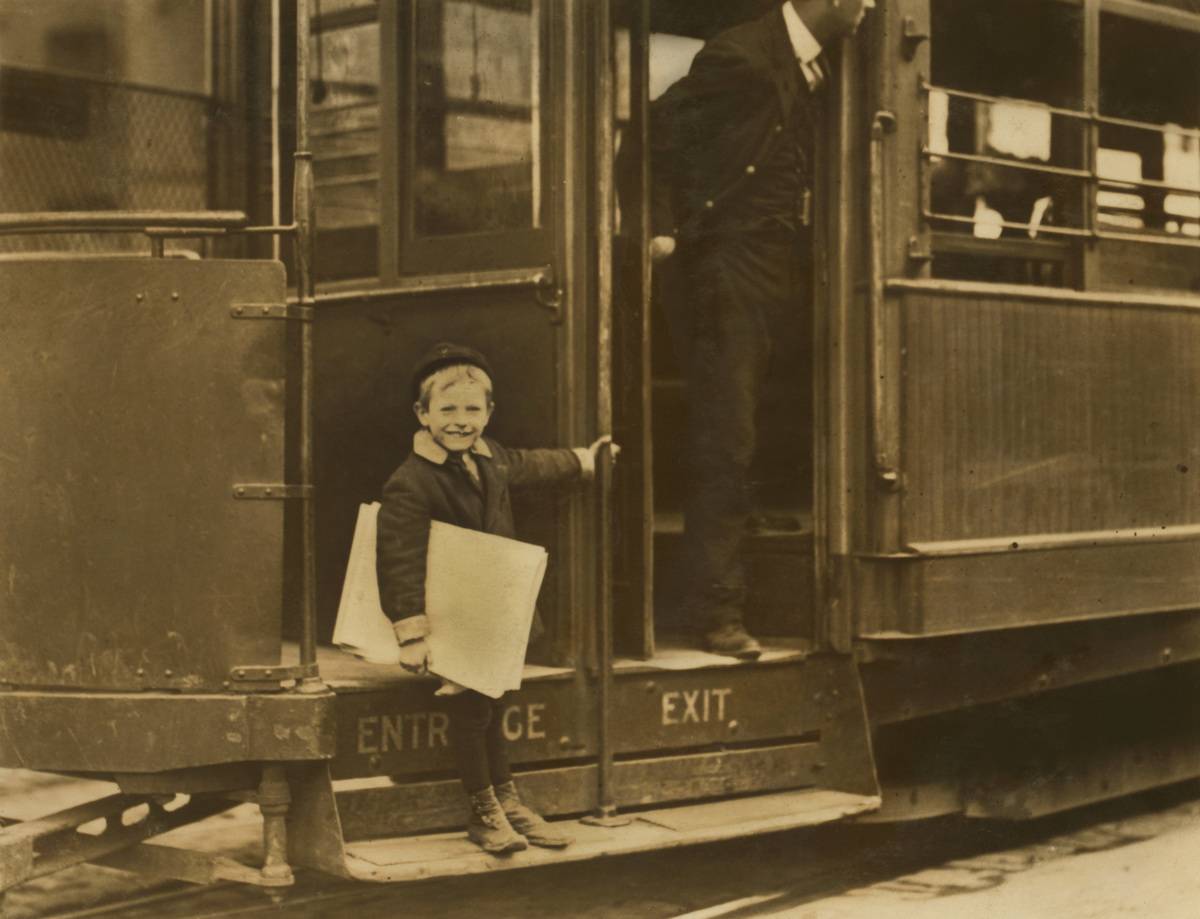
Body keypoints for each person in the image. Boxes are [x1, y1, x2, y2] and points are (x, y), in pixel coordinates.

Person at [644, 0, 872, 659]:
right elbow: (658, 133)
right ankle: (714, 613)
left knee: (764, 431)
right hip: (728, 268)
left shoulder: (815, 65)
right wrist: (663, 227)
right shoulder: (741, 56)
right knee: (728, 437)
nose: (870, 8)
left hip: (780, 269)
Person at [375, 341, 613, 855]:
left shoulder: (492, 459)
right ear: (422, 414)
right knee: (470, 713)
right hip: (449, 621)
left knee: (492, 704)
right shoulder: (410, 483)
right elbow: (398, 559)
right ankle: (483, 811)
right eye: (448, 409)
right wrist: (412, 634)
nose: (461, 421)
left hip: (489, 615)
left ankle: (506, 801)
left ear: (488, 412)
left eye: (472, 410)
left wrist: (581, 461)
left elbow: (532, 465)